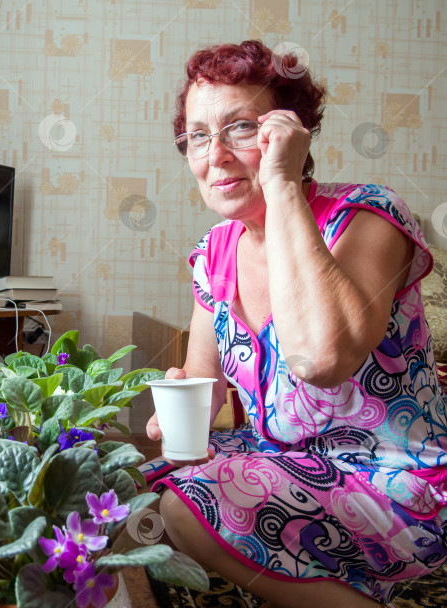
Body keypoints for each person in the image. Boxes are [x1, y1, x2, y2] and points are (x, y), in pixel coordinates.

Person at [147, 40, 447, 607]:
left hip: (393, 480)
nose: (217, 156)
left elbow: (322, 358)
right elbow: (202, 379)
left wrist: (282, 186)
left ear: (291, 134)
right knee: (121, 491)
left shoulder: (368, 216)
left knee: (182, 508)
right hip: (284, 460)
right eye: (198, 136)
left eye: (240, 128)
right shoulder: (213, 254)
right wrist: (182, 408)